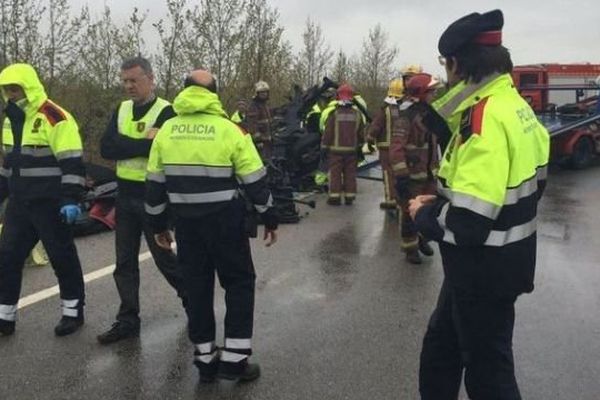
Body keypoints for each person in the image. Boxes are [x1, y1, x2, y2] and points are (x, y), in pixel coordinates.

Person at [408, 10, 550, 399]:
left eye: (446, 64)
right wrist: (444, 200)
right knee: (440, 351)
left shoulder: (484, 120)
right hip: (497, 264)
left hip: (482, 270)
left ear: (457, 63)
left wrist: (425, 212)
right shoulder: (516, 107)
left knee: (489, 376)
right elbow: (524, 189)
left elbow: (469, 223)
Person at [145, 70, 278, 383]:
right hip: (225, 222)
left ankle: (205, 360)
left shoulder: (167, 130)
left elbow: (153, 185)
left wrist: (157, 225)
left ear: (185, 91)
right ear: (215, 93)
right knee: (239, 283)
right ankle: (234, 362)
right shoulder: (230, 129)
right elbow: (254, 179)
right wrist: (269, 217)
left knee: (197, 288)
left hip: (186, 225)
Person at [98, 57, 186, 344]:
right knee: (124, 263)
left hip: (152, 197)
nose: (128, 86)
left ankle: (192, 301)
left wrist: (129, 146)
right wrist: (141, 146)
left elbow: (159, 150)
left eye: (134, 80)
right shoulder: (122, 110)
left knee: (164, 259)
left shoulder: (166, 111)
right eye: (124, 81)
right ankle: (127, 319)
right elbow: (106, 147)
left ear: (150, 78)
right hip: (124, 197)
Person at [0, 63, 86, 336]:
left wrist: (70, 198)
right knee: (8, 258)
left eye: (16, 88)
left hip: (50, 203)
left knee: (62, 258)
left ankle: (73, 312)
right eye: (7, 90)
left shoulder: (53, 116)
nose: (12, 94)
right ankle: (5, 317)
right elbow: (8, 164)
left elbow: (72, 161)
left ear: (29, 86)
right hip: (19, 203)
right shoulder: (10, 119)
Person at [389, 73, 440, 265]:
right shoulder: (406, 118)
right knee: (409, 215)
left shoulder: (430, 115)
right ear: (421, 93)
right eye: (431, 92)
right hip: (412, 176)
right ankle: (410, 248)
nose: (433, 95)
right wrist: (401, 177)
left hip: (429, 175)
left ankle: (422, 239)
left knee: (428, 211)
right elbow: (396, 149)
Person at [321, 84, 365, 205]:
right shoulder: (357, 114)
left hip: (335, 151)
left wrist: (324, 147)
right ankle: (349, 196)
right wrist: (360, 146)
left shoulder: (334, 114)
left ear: (338, 97)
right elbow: (361, 134)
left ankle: (334, 197)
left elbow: (328, 133)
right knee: (350, 174)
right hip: (351, 151)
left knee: (335, 174)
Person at [367, 78, 405, 210]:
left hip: (386, 147)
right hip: (401, 148)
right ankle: (401, 199)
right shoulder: (406, 110)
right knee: (400, 173)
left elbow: (376, 126)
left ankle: (391, 200)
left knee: (388, 174)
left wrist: (370, 139)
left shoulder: (385, 110)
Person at [240, 80, 273, 160]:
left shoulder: (264, 105)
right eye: (261, 93)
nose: (264, 94)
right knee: (261, 162)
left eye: (265, 92)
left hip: (267, 140)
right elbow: (252, 125)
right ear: (257, 94)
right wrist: (258, 141)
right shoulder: (254, 106)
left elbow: (267, 122)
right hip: (259, 142)